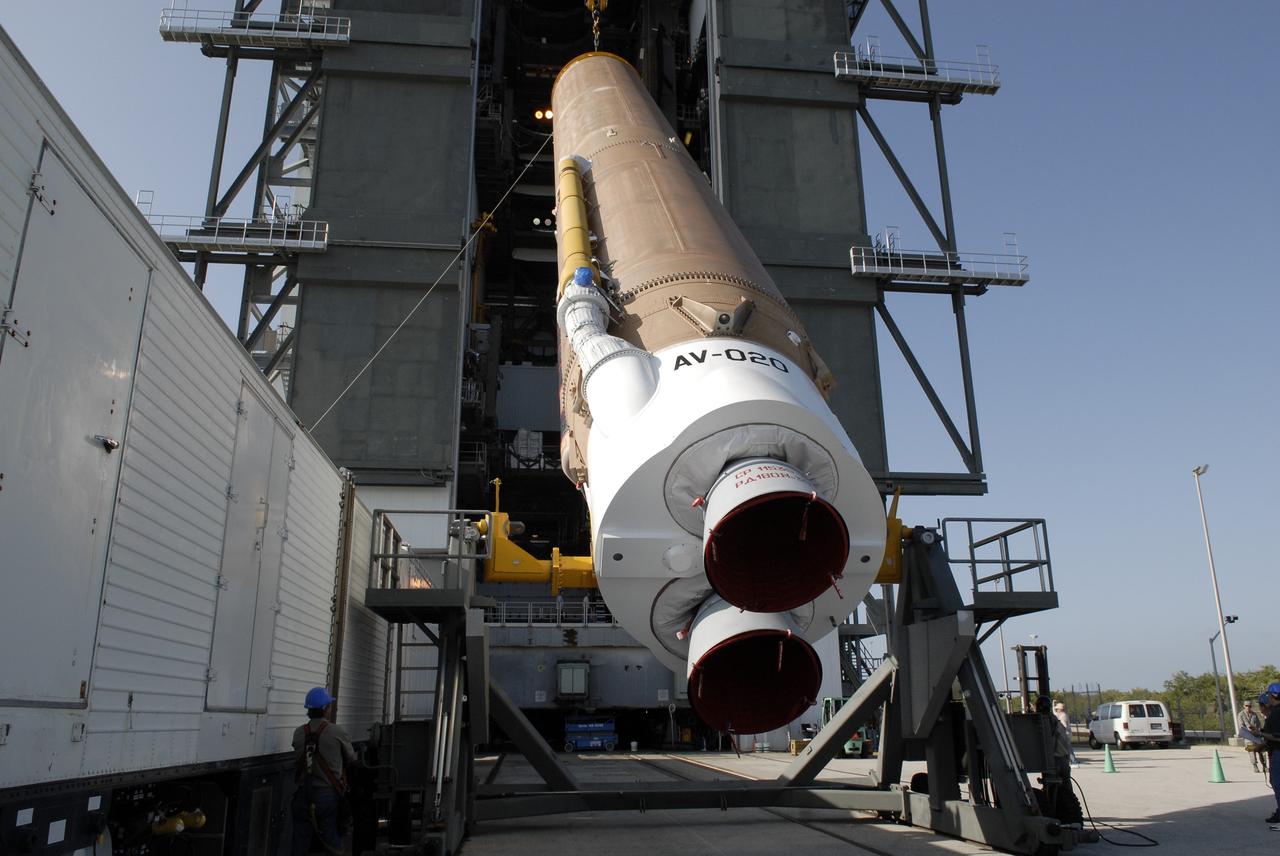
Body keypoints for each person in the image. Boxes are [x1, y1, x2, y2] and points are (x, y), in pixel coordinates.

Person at [292, 687, 357, 855]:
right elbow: (351, 758)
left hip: (303, 795)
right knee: (331, 839)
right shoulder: (336, 731)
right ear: (325, 709)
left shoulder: (298, 733)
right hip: (327, 796)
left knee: (300, 842)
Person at [1261, 684, 1280, 824]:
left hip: (1278, 753)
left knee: (1277, 783)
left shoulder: (1276, 714)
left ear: (1272, 695)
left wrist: (1259, 734)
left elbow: (1277, 737)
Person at [1238, 698, 1268, 773]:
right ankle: (1255, 765)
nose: (1248, 707)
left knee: (1262, 750)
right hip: (1248, 736)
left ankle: (1264, 766)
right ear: (1244, 706)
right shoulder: (1241, 715)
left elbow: (1258, 724)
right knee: (1251, 751)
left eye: (1249, 706)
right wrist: (1249, 730)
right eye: (1246, 706)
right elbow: (1241, 726)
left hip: (1256, 735)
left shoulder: (1254, 714)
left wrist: (1259, 731)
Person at [1053, 700, 1079, 766]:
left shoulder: (1063, 716)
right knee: (1067, 748)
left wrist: (1060, 729)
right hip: (1066, 734)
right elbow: (1054, 713)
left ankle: (1073, 761)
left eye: (1057, 709)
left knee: (1068, 748)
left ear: (1060, 709)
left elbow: (1064, 725)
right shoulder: (1062, 714)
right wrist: (1053, 704)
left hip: (1066, 734)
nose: (1056, 710)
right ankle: (1071, 761)